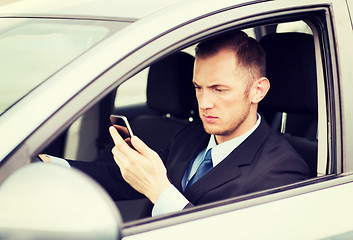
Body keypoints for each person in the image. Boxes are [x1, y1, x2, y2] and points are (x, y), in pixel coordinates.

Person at [40, 31, 309, 217]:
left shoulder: (282, 171)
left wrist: (161, 192)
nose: (204, 103)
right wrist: (50, 166)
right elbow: (128, 181)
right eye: (198, 88)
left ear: (257, 91)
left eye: (219, 89)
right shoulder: (191, 136)